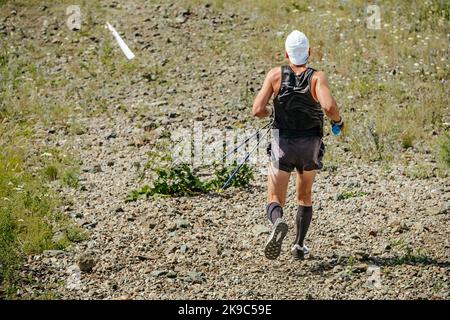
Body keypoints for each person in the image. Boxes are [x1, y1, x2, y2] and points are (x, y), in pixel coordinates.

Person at [252, 30, 344, 260]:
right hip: (309, 145)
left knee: (275, 198)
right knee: (304, 196)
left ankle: (278, 222)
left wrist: (272, 111)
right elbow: (330, 108)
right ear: (309, 52)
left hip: (282, 144)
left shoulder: (275, 75)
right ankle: (299, 246)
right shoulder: (317, 77)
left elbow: (257, 110)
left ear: (286, 54)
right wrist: (338, 122)